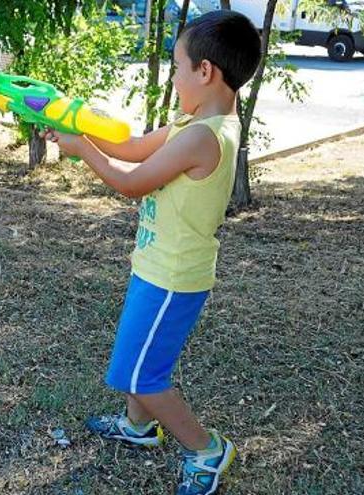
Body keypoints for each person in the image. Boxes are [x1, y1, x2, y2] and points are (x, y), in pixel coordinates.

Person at [45, 10, 261, 495]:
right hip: (156, 266)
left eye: (178, 66)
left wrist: (84, 152)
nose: (174, 76)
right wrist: (75, 129)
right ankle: (140, 427)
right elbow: (137, 148)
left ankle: (206, 449)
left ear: (205, 72)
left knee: (139, 374)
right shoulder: (196, 121)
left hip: (174, 277)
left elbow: (129, 182)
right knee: (138, 357)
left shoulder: (206, 137)